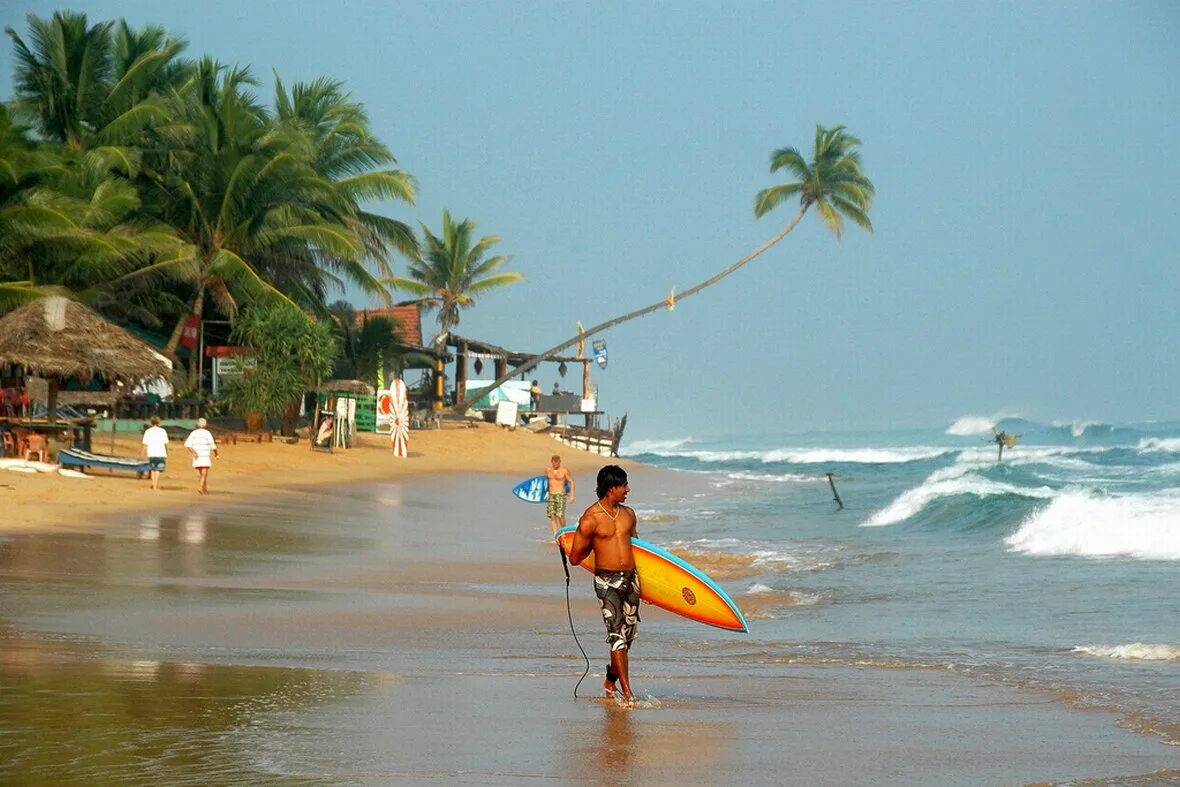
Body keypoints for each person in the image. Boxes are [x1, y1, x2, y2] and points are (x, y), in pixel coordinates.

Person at [568, 465, 639, 707]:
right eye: (624, 485)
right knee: (616, 637)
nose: (628, 489)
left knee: (627, 638)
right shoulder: (590, 519)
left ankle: (611, 680)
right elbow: (575, 558)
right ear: (611, 488)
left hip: (631, 580)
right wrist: (596, 549)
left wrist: (652, 588)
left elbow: (640, 552)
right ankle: (628, 693)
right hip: (606, 582)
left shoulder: (629, 514)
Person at [183, 417, 219, 495]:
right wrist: (216, 454)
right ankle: (200, 487)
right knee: (204, 473)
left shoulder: (193, 433)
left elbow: (187, 444)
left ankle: (204, 488)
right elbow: (212, 445)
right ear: (205, 425)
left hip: (197, 456)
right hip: (204, 455)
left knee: (202, 473)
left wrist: (193, 452)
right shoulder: (207, 433)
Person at [545, 454, 576, 533]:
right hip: (551, 495)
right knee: (552, 516)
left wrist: (572, 495)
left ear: (560, 462)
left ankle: (564, 531)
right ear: (551, 462)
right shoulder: (547, 470)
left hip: (560, 494)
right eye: (554, 462)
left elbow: (571, 481)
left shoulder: (564, 470)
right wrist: (544, 494)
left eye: (557, 462)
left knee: (560, 515)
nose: (556, 464)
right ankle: (555, 535)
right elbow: (545, 482)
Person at [140, 416, 169, 491]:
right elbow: (166, 443)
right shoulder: (163, 431)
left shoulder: (148, 431)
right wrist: (167, 452)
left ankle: (154, 484)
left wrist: (142, 454)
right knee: (158, 470)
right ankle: (155, 485)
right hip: (161, 452)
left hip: (151, 453)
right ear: (159, 422)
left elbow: (145, 444)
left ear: (151, 422)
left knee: (153, 469)